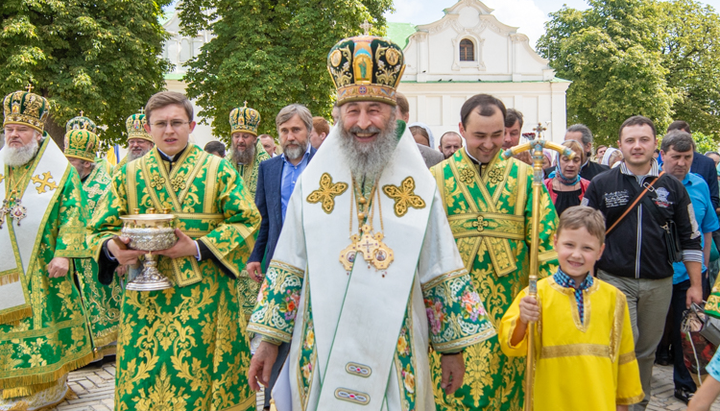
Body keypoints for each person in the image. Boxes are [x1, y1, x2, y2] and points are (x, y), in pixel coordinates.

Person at [247, 34, 495, 411]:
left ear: (393, 114)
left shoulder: (420, 183)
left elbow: (438, 265)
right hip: (322, 338)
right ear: (338, 116)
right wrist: (268, 340)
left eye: (375, 109)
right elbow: (289, 265)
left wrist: (451, 350)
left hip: (397, 346)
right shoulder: (314, 183)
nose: (363, 122)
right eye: (353, 110)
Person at [87, 91, 261, 411]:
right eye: (161, 123)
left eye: (177, 122)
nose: (169, 130)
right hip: (144, 297)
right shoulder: (127, 174)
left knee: (205, 374)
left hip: (206, 293)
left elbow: (248, 220)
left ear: (191, 126)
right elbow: (97, 228)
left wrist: (197, 247)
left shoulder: (218, 170)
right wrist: (112, 248)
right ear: (149, 127)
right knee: (145, 381)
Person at [430, 94, 559, 410]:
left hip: (510, 310)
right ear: (462, 129)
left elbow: (547, 248)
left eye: (497, 135)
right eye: (479, 136)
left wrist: (549, 301)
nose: (489, 144)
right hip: (451, 313)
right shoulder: (435, 179)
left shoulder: (529, 180)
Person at [582, 115, 703, 410]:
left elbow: (691, 238)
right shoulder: (602, 184)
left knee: (647, 350)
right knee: (624, 342)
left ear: (654, 145)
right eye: (630, 140)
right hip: (614, 279)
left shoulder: (673, 188)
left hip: (659, 282)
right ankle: (611, 402)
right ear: (620, 144)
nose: (637, 146)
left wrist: (696, 285)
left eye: (644, 140)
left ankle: (638, 404)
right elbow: (584, 233)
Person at [0, 87, 94, 410]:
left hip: (40, 267)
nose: (13, 135)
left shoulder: (58, 171)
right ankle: (8, 385)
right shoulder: (2, 164)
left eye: (21, 129)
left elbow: (74, 213)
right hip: (3, 266)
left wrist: (64, 253)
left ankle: (47, 385)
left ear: (37, 133)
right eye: (9, 129)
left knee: (41, 324)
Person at [499, 206, 644, 410]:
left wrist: (622, 401)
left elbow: (625, 353)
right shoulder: (534, 296)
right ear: (556, 243)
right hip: (552, 400)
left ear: (600, 251)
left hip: (598, 400)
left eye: (587, 248)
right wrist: (523, 319)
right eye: (569, 244)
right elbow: (511, 345)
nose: (576, 255)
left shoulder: (615, 298)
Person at [246, 104, 317, 410]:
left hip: (317, 266)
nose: (290, 137)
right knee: (273, 336)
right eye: (285, 131)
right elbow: (264, 218)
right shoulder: (269, 168)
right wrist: (255, 256)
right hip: (278, 266)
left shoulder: (324, 165)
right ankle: (271, 402)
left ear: (309, 132)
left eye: (296, 130)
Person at [660, 130, 719, 403]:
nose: (682, 162)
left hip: (689, 275)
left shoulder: (700, 185)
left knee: (688, 331)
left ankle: (685, 384)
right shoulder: (651, 184)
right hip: (658, 273)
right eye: (676, 157)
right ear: (663, 156)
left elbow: (707, 229)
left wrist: (703, 268)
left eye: (687, 157)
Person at [63, 117, 123, 363]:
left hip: (97, 255)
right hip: (72, 257)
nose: (68, 167)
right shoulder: (66, 183)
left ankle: (106, 349)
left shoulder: (106, 184)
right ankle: (85, 351)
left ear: (86, 163)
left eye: (72, 162)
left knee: (103, 303)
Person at [667, 120, 719, 210]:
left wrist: (701, 215)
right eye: (672, 138)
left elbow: (713, 198)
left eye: (682, 136)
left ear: (690, 137)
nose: (677, 141)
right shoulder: (656, 165)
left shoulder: (706, 164)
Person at [229, 102, 271, 199]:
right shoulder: (225, 164)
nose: (240, 140)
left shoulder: (265, 164)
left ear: (255, 139)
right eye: (236, 136)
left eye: (245, 136)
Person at [396, 92, 444, 168]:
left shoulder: (436, 158)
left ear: (405, 117)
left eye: (392, 115)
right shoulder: (371, 155)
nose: (386, 121)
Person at [544, 140, 591, 216]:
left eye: (576, 160)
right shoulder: (545, 187)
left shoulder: (588, 187)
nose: (571, 164)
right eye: (566, 160)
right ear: (558, 161)